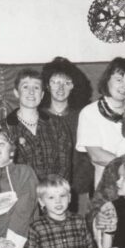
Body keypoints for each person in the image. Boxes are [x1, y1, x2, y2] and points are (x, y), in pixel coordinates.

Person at [40, 57, 94, 212]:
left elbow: (86, 157)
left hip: (78, 188)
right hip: (46, 190)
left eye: (67, 82)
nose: (60, 87)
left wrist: (77, 187)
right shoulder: (38, 116)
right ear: (47, 86)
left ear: (73, 87)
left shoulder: (83, 116)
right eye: (55, 82)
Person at [76, 57, 125, 195]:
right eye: (119, 80)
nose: (124, 86)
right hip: (107, 189)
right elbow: (96, 155)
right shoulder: (90, 112)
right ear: (107, 80)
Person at [5, 68, 72, 182]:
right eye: (25, 87)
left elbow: (64, 166)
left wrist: (51, 192)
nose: (31, 92)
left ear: (42, 94)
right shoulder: (4, 128)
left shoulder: (57, 125)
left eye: (36, 87)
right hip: (22, 194)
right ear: (16, 93)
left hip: (55, 194)